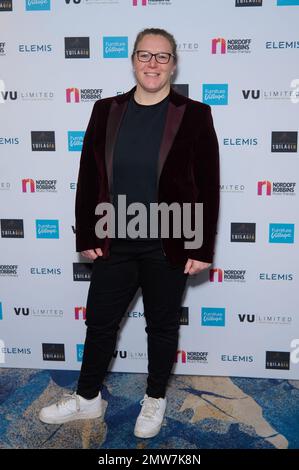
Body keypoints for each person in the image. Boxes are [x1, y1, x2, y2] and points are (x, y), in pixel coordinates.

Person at [39, 28, 220, 439]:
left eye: (161, 56)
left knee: (161, 326)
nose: (152, 64)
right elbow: (88, 176)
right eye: (144, 55)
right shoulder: (105, 110)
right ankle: (87, 399)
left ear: (173, 63)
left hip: (170, 241)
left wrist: (202, 245)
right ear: (134, 60)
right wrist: (86, 232)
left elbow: (208, 184)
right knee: (100, 324)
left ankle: (155, 397)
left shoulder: (195, 114)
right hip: (114, 240)